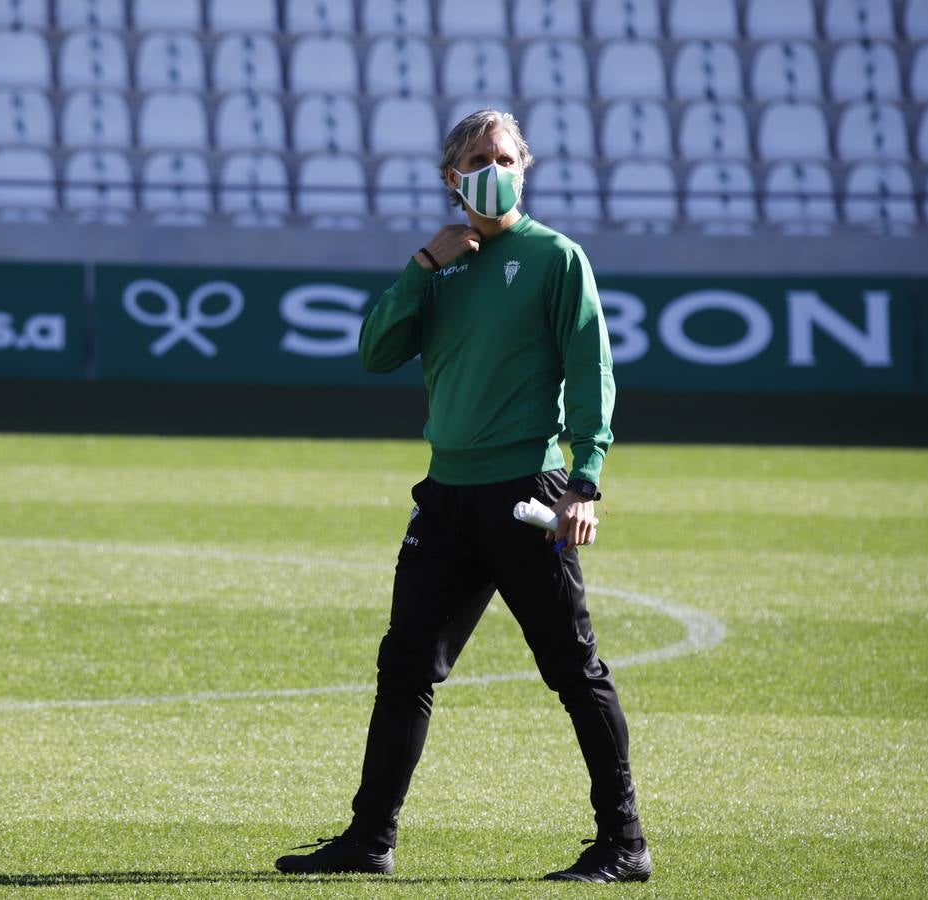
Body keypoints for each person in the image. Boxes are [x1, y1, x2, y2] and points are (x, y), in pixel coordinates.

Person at [274, 109, 651, 884]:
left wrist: (587, 481)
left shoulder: (554, 257)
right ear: (452, 177)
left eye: (505, 156)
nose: (494, 167)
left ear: (526, 165)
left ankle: (624, 843)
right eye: (478, 158)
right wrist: (420, 265)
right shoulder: (440, 265)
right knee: (405, 667)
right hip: (447, 495)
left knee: (573, 671)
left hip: (526, 493)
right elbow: (376, 352)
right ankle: (369, 840)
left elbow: (592, 371)